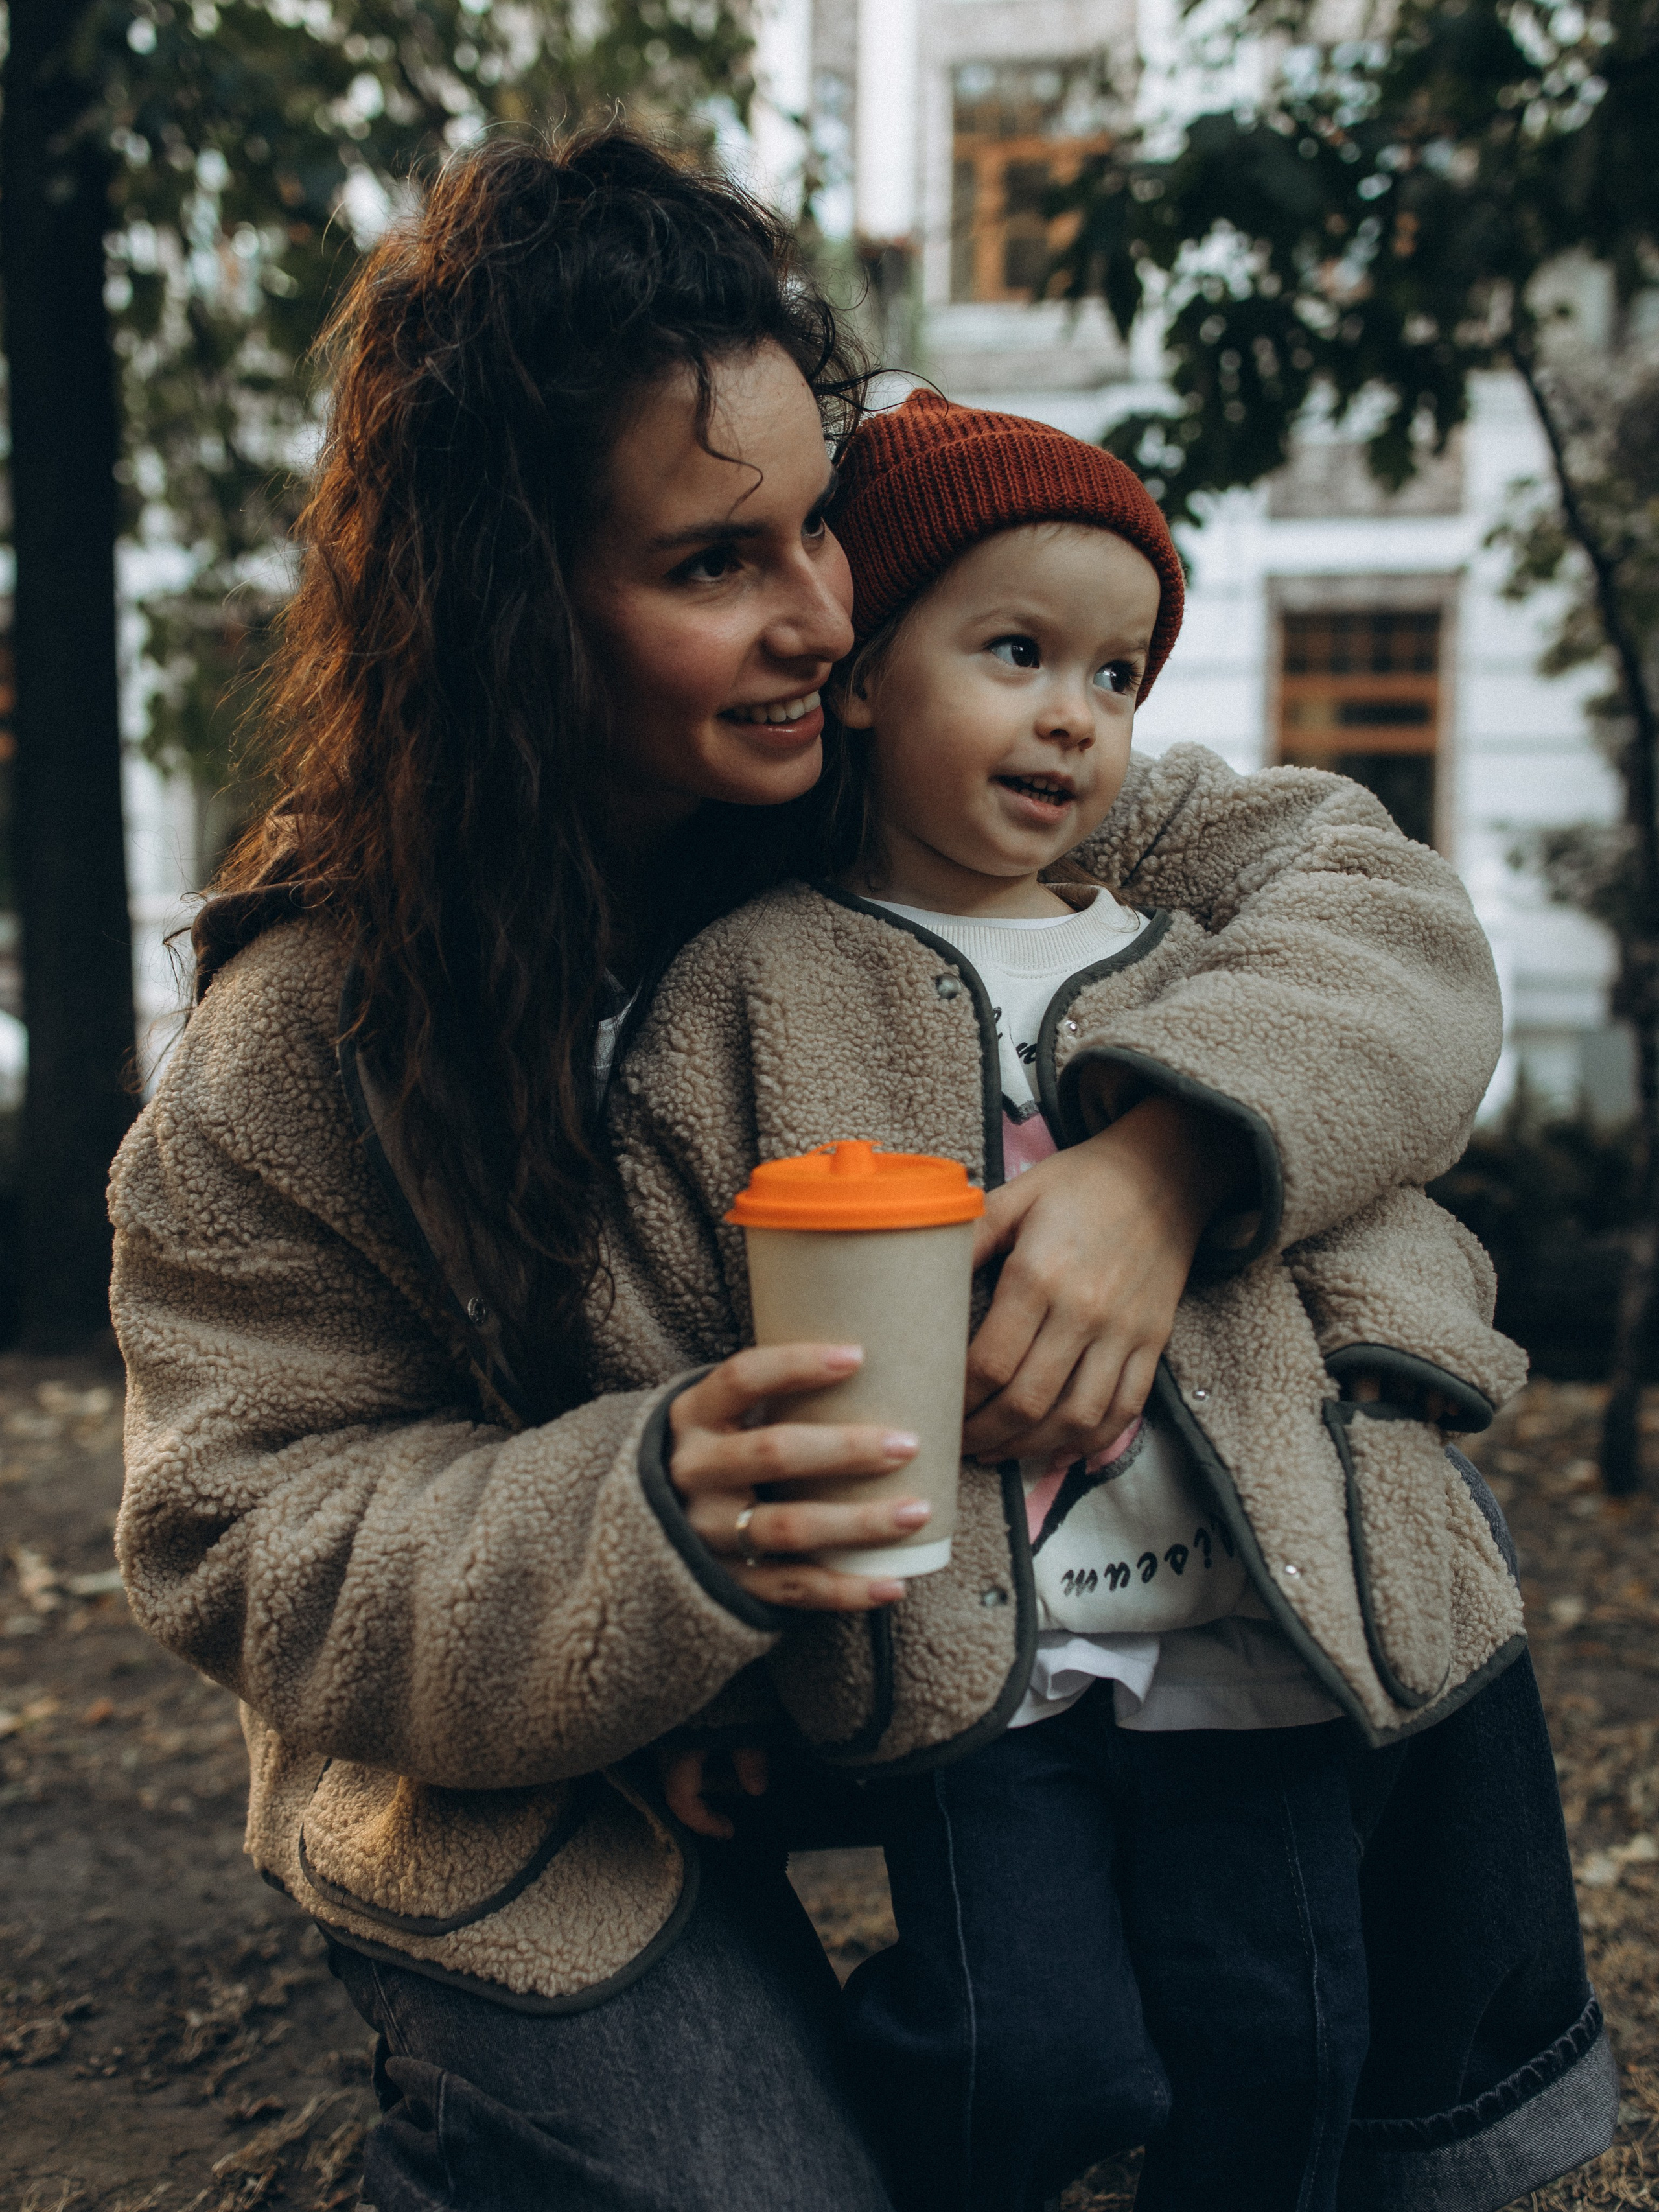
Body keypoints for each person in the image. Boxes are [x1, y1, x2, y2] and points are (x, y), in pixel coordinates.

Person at [106, 132, 1603, 2212]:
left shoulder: (920, 776)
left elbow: (1376, 910)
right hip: (566, 1756)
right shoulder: (319, 1042)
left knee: (1376, 1498)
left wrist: (1168, 1168)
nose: (824, 611)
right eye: (714, 565)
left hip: (1019, 1632)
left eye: (819, 522)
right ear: (514, 605)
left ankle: (1428, 2126)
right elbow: (237, 1532)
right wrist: (648, 1519)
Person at [590, 393, 1615, 2211]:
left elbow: (1379, 1179)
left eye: (1121, 673)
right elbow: (660, 1320)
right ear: (856, 679)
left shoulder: (1193, 957)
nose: (1078, 713)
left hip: (1252, 1632)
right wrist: (698, 1682)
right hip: (984, 1657)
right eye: (1013, 652)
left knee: (1284, 2043)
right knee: (1031, 2051)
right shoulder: (745, 993)